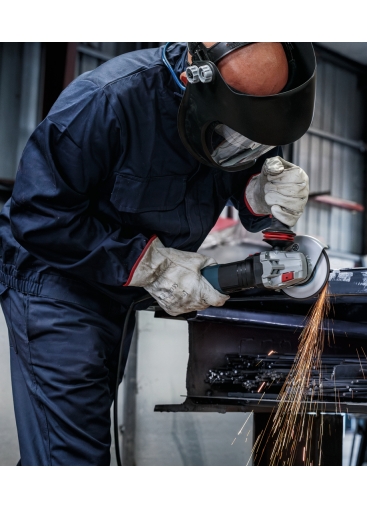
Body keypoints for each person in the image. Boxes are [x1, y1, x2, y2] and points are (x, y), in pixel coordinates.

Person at [0, 42, 316, 465]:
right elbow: (38, 214)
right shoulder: (106, 101)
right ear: (194, 77)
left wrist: (259, 196)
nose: (242, 141)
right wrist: (152, 266)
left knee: (63, 441)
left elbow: (240, 178)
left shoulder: (246, 107)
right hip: (56, 279)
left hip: (120, 289)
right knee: (73, 455)